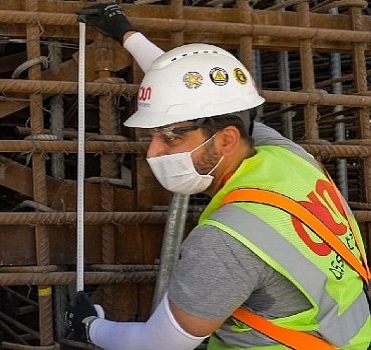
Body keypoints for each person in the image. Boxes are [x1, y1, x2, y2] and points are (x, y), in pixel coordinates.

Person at [64, 3, 371, 349]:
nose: (152, 153)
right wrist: (127, 34)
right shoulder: (285, 156)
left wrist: (90, 326)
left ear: (226, 139)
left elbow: (160, 343)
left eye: (170, 137)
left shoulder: (225, 243)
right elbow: (202, 99)